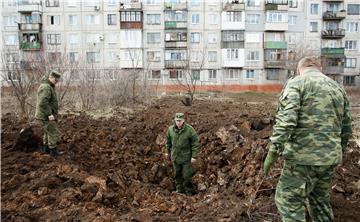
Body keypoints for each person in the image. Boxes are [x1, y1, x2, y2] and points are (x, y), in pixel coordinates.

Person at [263, 56, 352, 222]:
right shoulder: (337, 88)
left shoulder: (297, 83)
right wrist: (338, 151)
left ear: (299, 69)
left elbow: (287, 121)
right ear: (320, 69)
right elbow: (347, 128)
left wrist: (273, 152)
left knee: (288, 200)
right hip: (329, 158)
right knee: (320, 202)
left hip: (302, 158)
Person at [165, 112, 200, 195]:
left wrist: (194, 156)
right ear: (174, 120)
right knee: (177, 174)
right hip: (175, 157)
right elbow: (168, 142)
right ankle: (179, 190)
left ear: (183, 120)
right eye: (177, 120)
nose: (178, 122)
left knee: (187, 176)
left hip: (186, 158)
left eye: (180, 120)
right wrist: (167, 152)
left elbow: (195, 143)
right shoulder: (170, 130)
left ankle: (189, 191)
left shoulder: (190, 130)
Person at [35, 70, 63, 157]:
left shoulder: (48, 86)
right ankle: (53, 152)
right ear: (50, 77)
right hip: (46, 115)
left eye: (57, 80)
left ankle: (46, 149)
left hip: (45, 114)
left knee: (47, 132)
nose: (56, 82)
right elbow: (42, 102)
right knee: (52, 131)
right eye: (55, 80)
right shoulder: (46, 87)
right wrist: (49, 114)